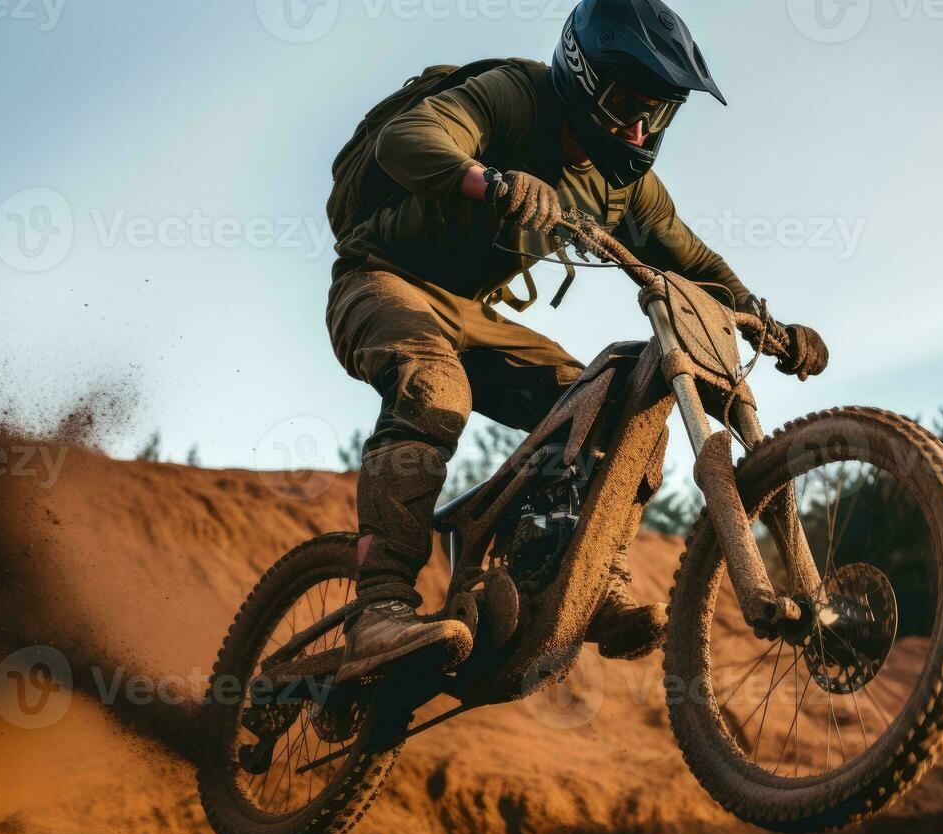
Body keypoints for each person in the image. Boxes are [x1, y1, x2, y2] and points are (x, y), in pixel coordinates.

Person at [327, 0, 828, 682]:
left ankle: (582, 576)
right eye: (626, 101)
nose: (638, 125)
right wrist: (491, 180)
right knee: (435, 389)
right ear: (579, 76)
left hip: (474, 316)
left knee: (607, 403)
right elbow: (408, 140)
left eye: (657, 111)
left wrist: (767, 325)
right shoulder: (515, 98)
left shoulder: (625, 190)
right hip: (381, 282)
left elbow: (691, 262)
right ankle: (379, 608)